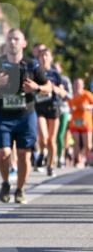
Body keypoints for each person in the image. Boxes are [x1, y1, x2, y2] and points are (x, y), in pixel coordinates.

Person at [0, 28, 50, 204]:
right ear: (6, 42)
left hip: (25, 115)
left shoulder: (32, 64)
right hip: (3, 116)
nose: (12, 42)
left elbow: (48, 87)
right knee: (3, 153)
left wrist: (36, 87)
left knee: (23, 154)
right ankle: (5, 183)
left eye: (16, 39)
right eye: (9, 39)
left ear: (24, 43)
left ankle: (20, 189)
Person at [34, 47, 68, 176]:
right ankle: (42, 153)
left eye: (46, 55)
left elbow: (64, 92)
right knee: (43, 136)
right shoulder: (35, 73)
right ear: (38, 58)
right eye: (41, 55)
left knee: (51, 139)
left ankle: (50, 165)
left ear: (51, 58)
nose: (44, 58)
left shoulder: (55, 74)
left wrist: (54, 88)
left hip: (53, 107)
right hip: (40, 107)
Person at [68, 78, 93, 167]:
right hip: (75, 122)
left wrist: (87, 107)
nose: (77, 86)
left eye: (79, 84)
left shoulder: (87, 94)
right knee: (77, 142)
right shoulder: (71, 96)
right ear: (73, 85)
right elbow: (68, 108)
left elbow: (92, 105)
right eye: (76, 84)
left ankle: (86, 158)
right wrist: (71, 110)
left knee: (88, 145)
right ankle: (78, 160)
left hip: (86, 122)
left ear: (82, 85)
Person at [53, 61, 73, 168]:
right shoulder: (50, 79)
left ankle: (60, 156)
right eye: (54, 68)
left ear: (61, 69)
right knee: (53, 135)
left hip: (64, 110)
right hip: (52, 109)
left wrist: (62, 92)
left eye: (57, 68)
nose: (55, 71)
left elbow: (70, 96)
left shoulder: (65, 80)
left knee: (60, 134)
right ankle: (53, 156)